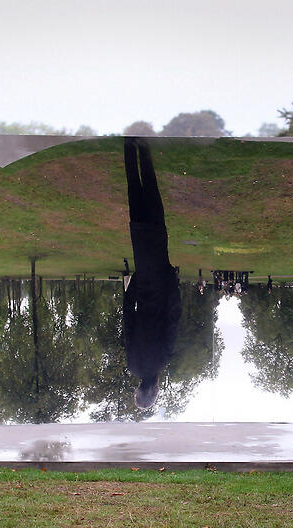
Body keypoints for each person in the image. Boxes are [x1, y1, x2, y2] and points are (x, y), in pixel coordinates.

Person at [122, 137, 181, 409]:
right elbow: (127, 315)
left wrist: (173, 281)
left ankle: (143, 146)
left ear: (155, 389)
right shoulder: (132, 362)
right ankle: (128, 145)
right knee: (134, 192)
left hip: (159, 271)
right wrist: (134, 281)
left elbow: (173, 315)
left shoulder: (162, 358)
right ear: (138, 389)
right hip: (143, 269)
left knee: (153, 197)